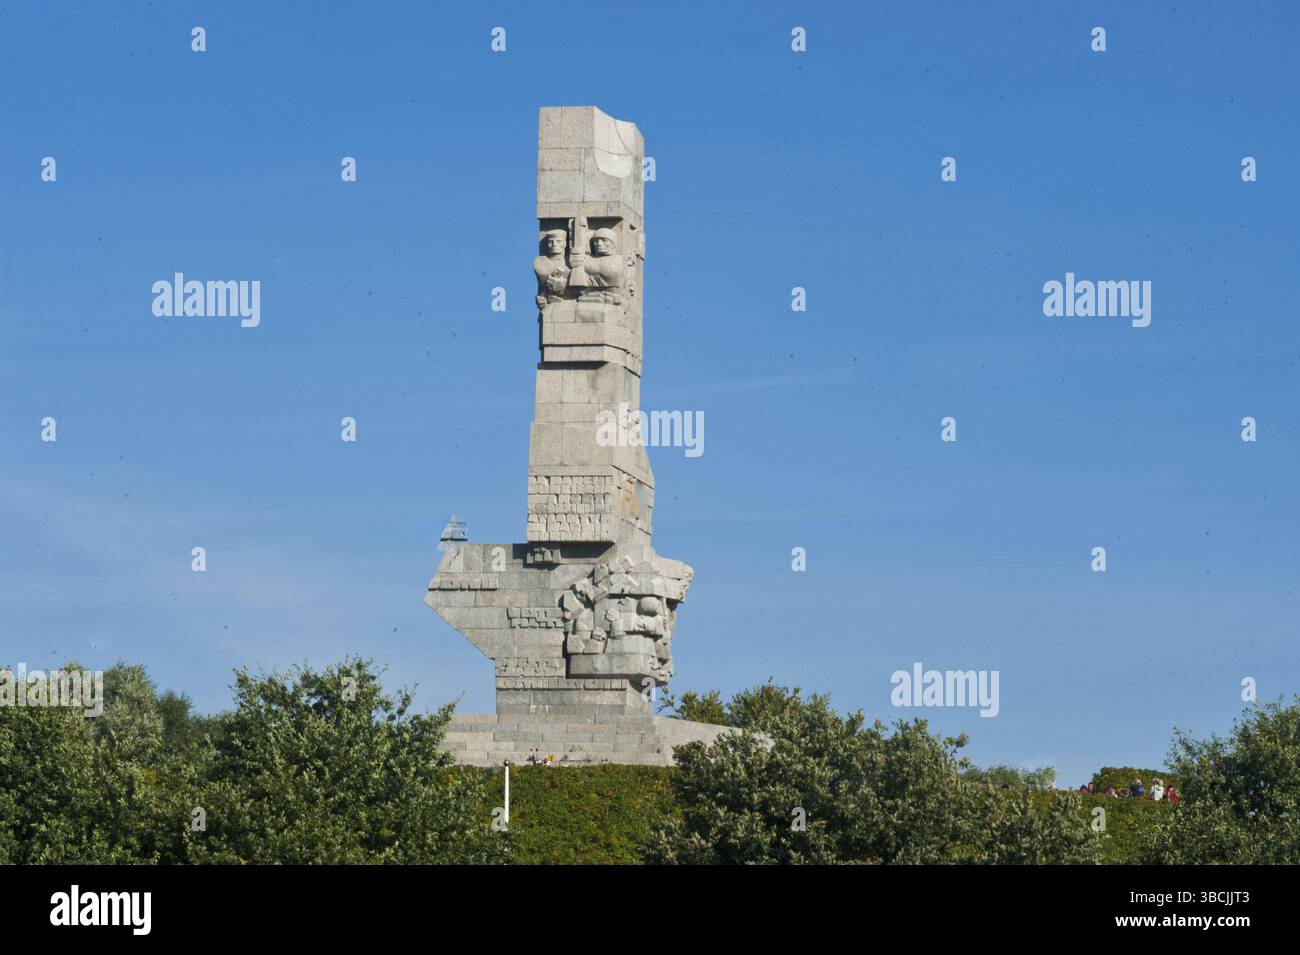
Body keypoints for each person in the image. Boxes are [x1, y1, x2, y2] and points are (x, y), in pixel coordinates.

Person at [534, 229, 569, 308]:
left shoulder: (570, 261)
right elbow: (541, 290)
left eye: (558, 241)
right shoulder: (541, 262)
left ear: (565, 243)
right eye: (551, 242)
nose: (554, 244)